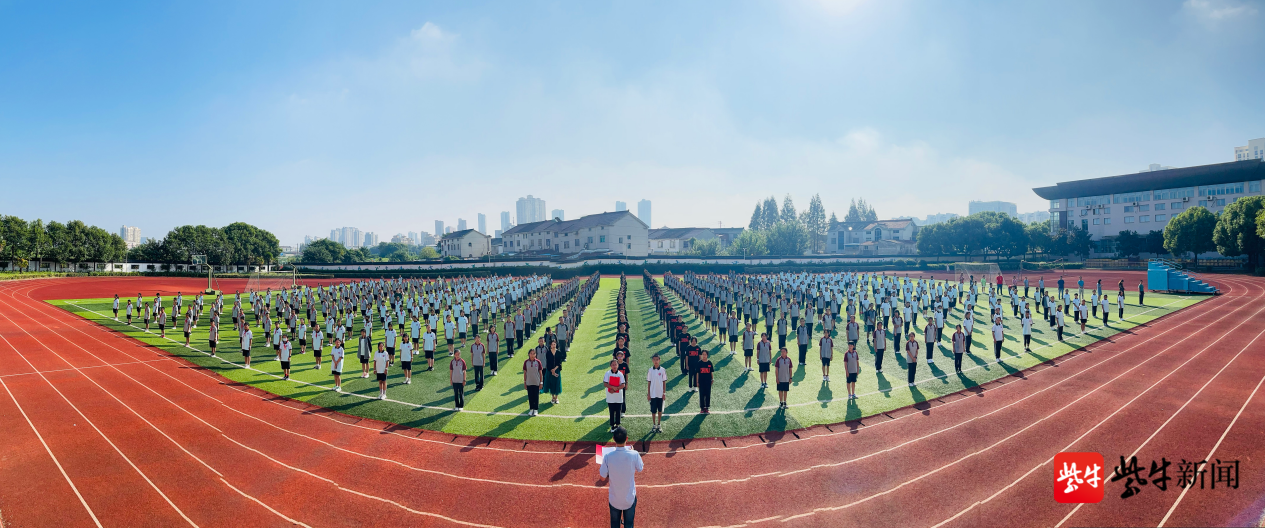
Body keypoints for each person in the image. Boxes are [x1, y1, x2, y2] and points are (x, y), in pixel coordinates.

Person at [599, 426, 642, 528]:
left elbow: (602, 478)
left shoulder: (607, 456)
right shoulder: (634, 454)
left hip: (614, 499)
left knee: (614, 525)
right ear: (626, 438)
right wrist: (634, 451)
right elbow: (640, 468)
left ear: (613, 439)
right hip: (629, 498)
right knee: (629, 524)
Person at [646, 354, 667, 432]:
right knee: (653, 410)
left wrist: (664, 393)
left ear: (659, 360)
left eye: (657, 359)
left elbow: (664, 382)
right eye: (654, 359)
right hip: (653, 394)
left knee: (660, 410)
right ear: (652, 360)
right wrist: (649, 394)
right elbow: (649, 382)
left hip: (660, 394)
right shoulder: (650, 370)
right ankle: (654, 425)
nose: (655, 361)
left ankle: (659, 424)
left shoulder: (663, 370)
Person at [604, 359, 626, 432]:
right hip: (610, 397)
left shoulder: (620, 374)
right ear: (610, 366)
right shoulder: (607, 373)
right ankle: (612, 426)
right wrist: (613, 388)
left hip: (618, 397)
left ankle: (617, 425)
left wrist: (616, 388)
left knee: (618, 411)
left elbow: (623, 384)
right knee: (611, 411)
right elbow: (605, 384)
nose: (614, 366)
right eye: (613, 365)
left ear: (617, 365)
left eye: (615, 365)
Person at [523, 349, 544, 416]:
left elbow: (541, 373)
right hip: (529, 382)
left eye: (534, 353)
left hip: (536, 382)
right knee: (530, 396)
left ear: (535, 354)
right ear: (529, 354)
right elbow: (525, 373)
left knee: (536, 396)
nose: (532, 355)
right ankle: (531, 409)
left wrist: (541, 382)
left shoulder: (538, 362)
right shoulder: (526, 362)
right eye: (531, 353)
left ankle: (535, 410)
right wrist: (525, 382)